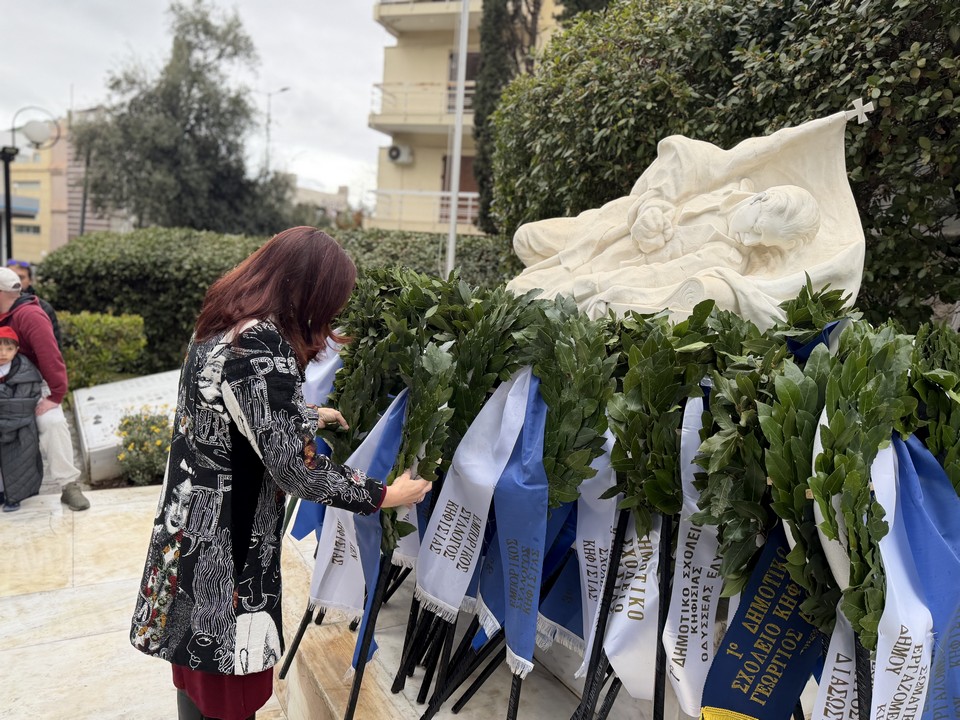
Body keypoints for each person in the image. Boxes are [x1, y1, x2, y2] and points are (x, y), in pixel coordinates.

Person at [129, 227, 432, 720]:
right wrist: (384, 494)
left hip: (189, 531)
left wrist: (306, 415)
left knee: (195, 673)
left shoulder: (222, 325)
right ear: (308, 290)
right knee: (226, 688)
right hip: (226, 549)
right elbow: (296, 471)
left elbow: (223, 413)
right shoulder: (262, 343)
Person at [0, 267, 88, 511]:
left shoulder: (30, 315)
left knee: (53, 422)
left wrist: (55, 395)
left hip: (35, 386)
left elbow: (50, 356)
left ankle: (69, 486)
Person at [0, 326, 44, 512]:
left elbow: (25, 403)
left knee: (19, 458)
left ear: (17, 350)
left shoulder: (25, 372)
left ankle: (15, 497)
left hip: (20, 425)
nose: (3, 353)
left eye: (9, 349)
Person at [6, 259, 62, 350]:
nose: (15, 282)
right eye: (11, 278)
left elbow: (54, 348)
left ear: (30, 280)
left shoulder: (43, 308)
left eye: (20, 278)